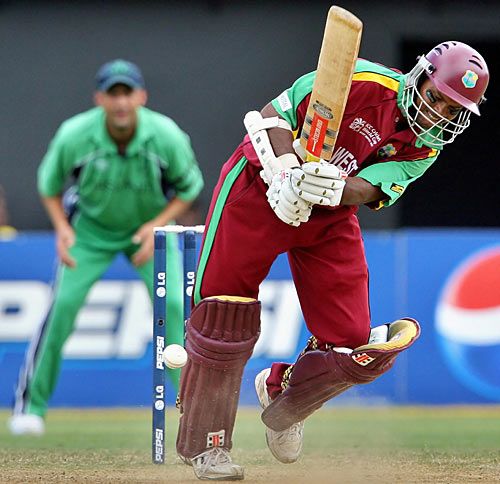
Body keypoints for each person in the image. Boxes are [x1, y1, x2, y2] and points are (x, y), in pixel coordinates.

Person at [174, 41, 489, 480]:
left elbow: (371, 188)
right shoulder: (360, 80)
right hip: (258, 191)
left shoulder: (427, 146)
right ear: (421, 75)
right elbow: (271, 117)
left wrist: (329, 187)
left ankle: (284, 398)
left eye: (452, 110)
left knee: (352, 345)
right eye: (436, 97)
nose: (439, 114)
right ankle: (207, 446)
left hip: (326, 216)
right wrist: (285, 168)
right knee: (223, 314)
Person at [9, 59, 204, 436]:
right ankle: (30, 408)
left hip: (149, 233)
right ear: (99, 98)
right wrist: (63, 230)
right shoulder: (75, 134)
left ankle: (189, 412)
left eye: (127, 93)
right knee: (61, 307)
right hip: (90, 234)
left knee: (177, 306)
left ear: (141, 97)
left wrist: (156, 225)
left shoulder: (166, 135)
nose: (120, 103)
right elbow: (49, 186)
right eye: (112, 94)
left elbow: (190, 187)